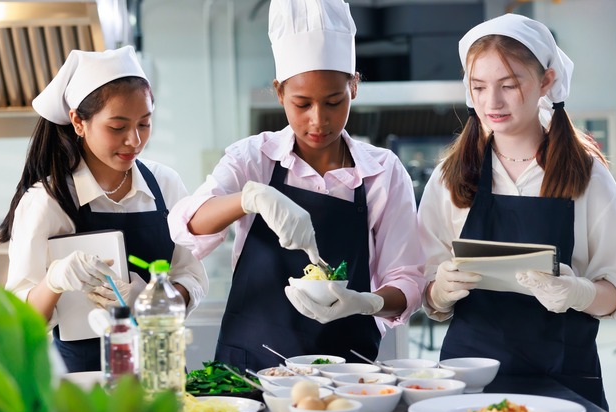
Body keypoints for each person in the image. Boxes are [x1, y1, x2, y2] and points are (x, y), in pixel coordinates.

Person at [168, 0, 426, 372]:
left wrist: (365, 303)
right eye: (302, 103)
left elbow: (407, 282)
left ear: (354, 85)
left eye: (334, 102)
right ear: (279, 92)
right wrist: (251, 197)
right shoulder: (253, 158)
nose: (318, 120)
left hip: (346, 373)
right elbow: (187, 226)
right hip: (250, 370)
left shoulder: (382, 172)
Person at [417, 14, 616, 409]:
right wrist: (440, 291)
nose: (492, 102)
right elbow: (424, 290)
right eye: (479, 87)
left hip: (566, 381)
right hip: (468, 382)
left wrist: (580, 291)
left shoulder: (588, 176)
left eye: (509, 85)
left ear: (546, 81)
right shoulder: (450, 178)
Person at [0, 46, 208, 373]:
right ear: (78, 122)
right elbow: (19, 324)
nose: (134, 140)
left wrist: (156, 300)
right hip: (84, 385)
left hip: (162, 374)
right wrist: (52, 282)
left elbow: (191, 276)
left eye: (145, 124)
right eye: (117, 127)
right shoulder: (47, 200)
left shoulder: (166, 185)